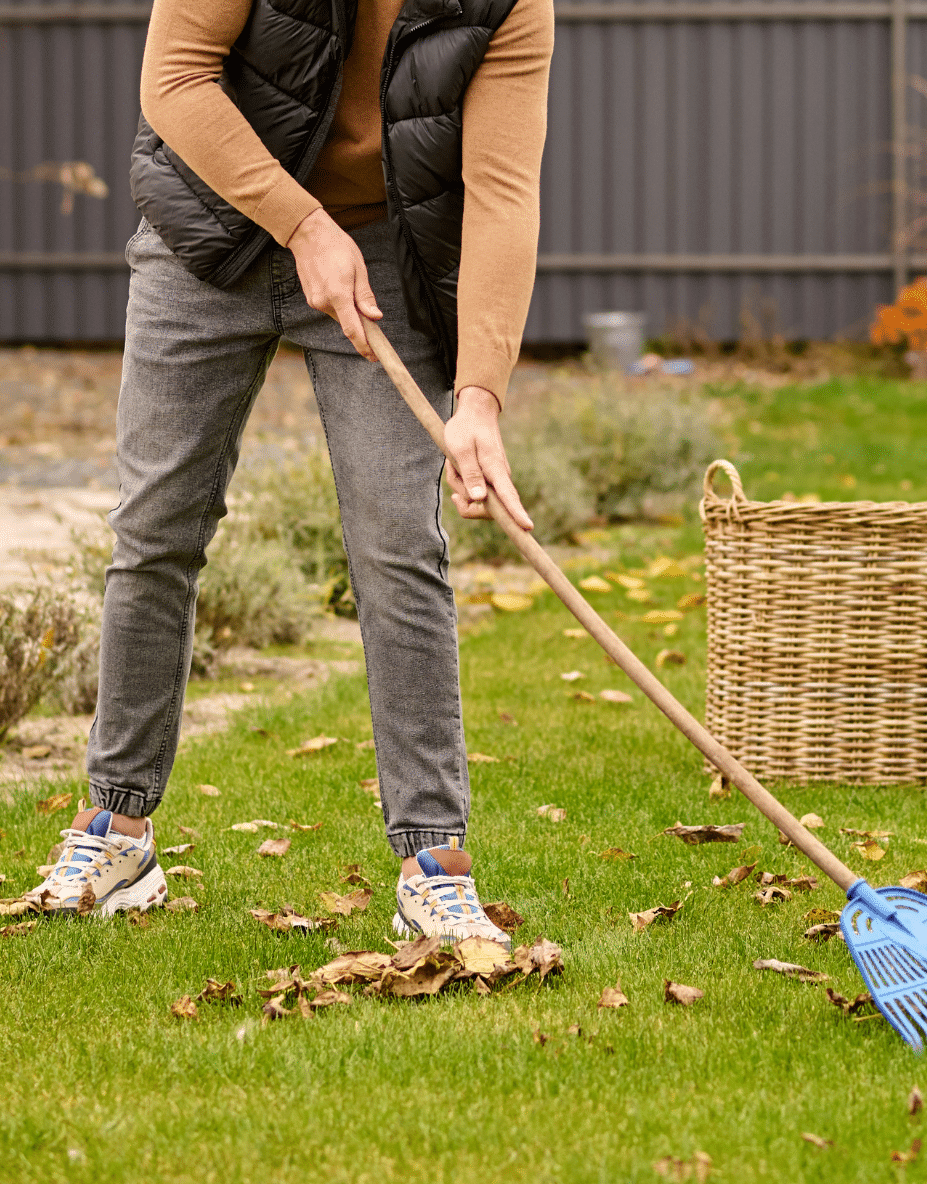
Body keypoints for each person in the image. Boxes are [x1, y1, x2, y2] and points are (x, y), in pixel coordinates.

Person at [27, 0, 555, 950]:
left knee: (401, 544)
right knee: (155, 530)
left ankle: (433, 860)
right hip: (209, 233)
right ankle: (117, 828)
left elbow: (502, 189)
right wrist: (302, 225)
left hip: (381, 252)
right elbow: (175, 79)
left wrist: (480, 394)